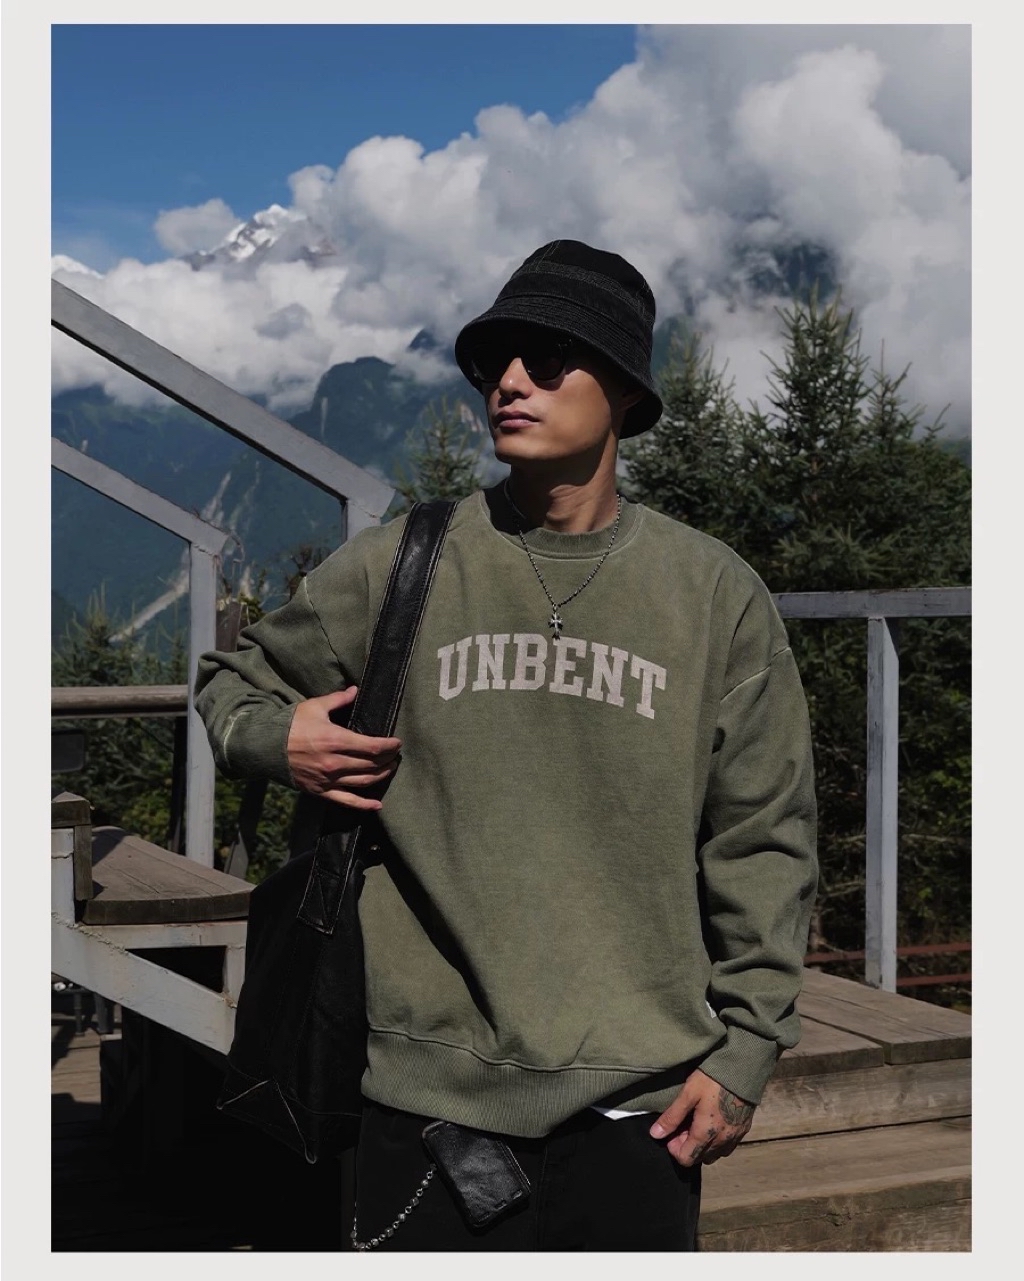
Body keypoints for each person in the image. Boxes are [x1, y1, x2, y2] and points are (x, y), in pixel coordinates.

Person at [194, 239, 818, 1252]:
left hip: (643, 1104)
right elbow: (232, 680)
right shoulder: (405, 563)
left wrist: (747, 1049)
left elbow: (764, 838)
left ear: (625, 391)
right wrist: (279, 738)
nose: (510, 382)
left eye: (548, 359)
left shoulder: (713, 596)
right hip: (421, 1093)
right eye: (494, 362)